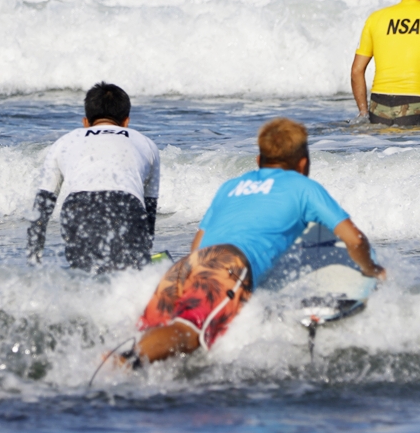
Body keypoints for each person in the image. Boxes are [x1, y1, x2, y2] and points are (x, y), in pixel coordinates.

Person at [121, 118, 385, 366]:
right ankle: (119, 366)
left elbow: (197, 246)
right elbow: (355, 239)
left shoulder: (231, 186)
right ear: (304, 164)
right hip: (229, 265)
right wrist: (371, 269)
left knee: (148, 337)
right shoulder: (303, 187)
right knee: (189, 334)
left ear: (259, 160)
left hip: (184, 268)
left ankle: (114, 370)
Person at [26, 82, 160, 273]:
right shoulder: (147, 143)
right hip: (126, 204)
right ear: (126, 122)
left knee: (85, 276)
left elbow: (42, 205)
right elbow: (150, 209)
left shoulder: (64, 141)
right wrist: (145, 256)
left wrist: (34, 260)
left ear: (85, 123)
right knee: (129, 277)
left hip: (78, 206)